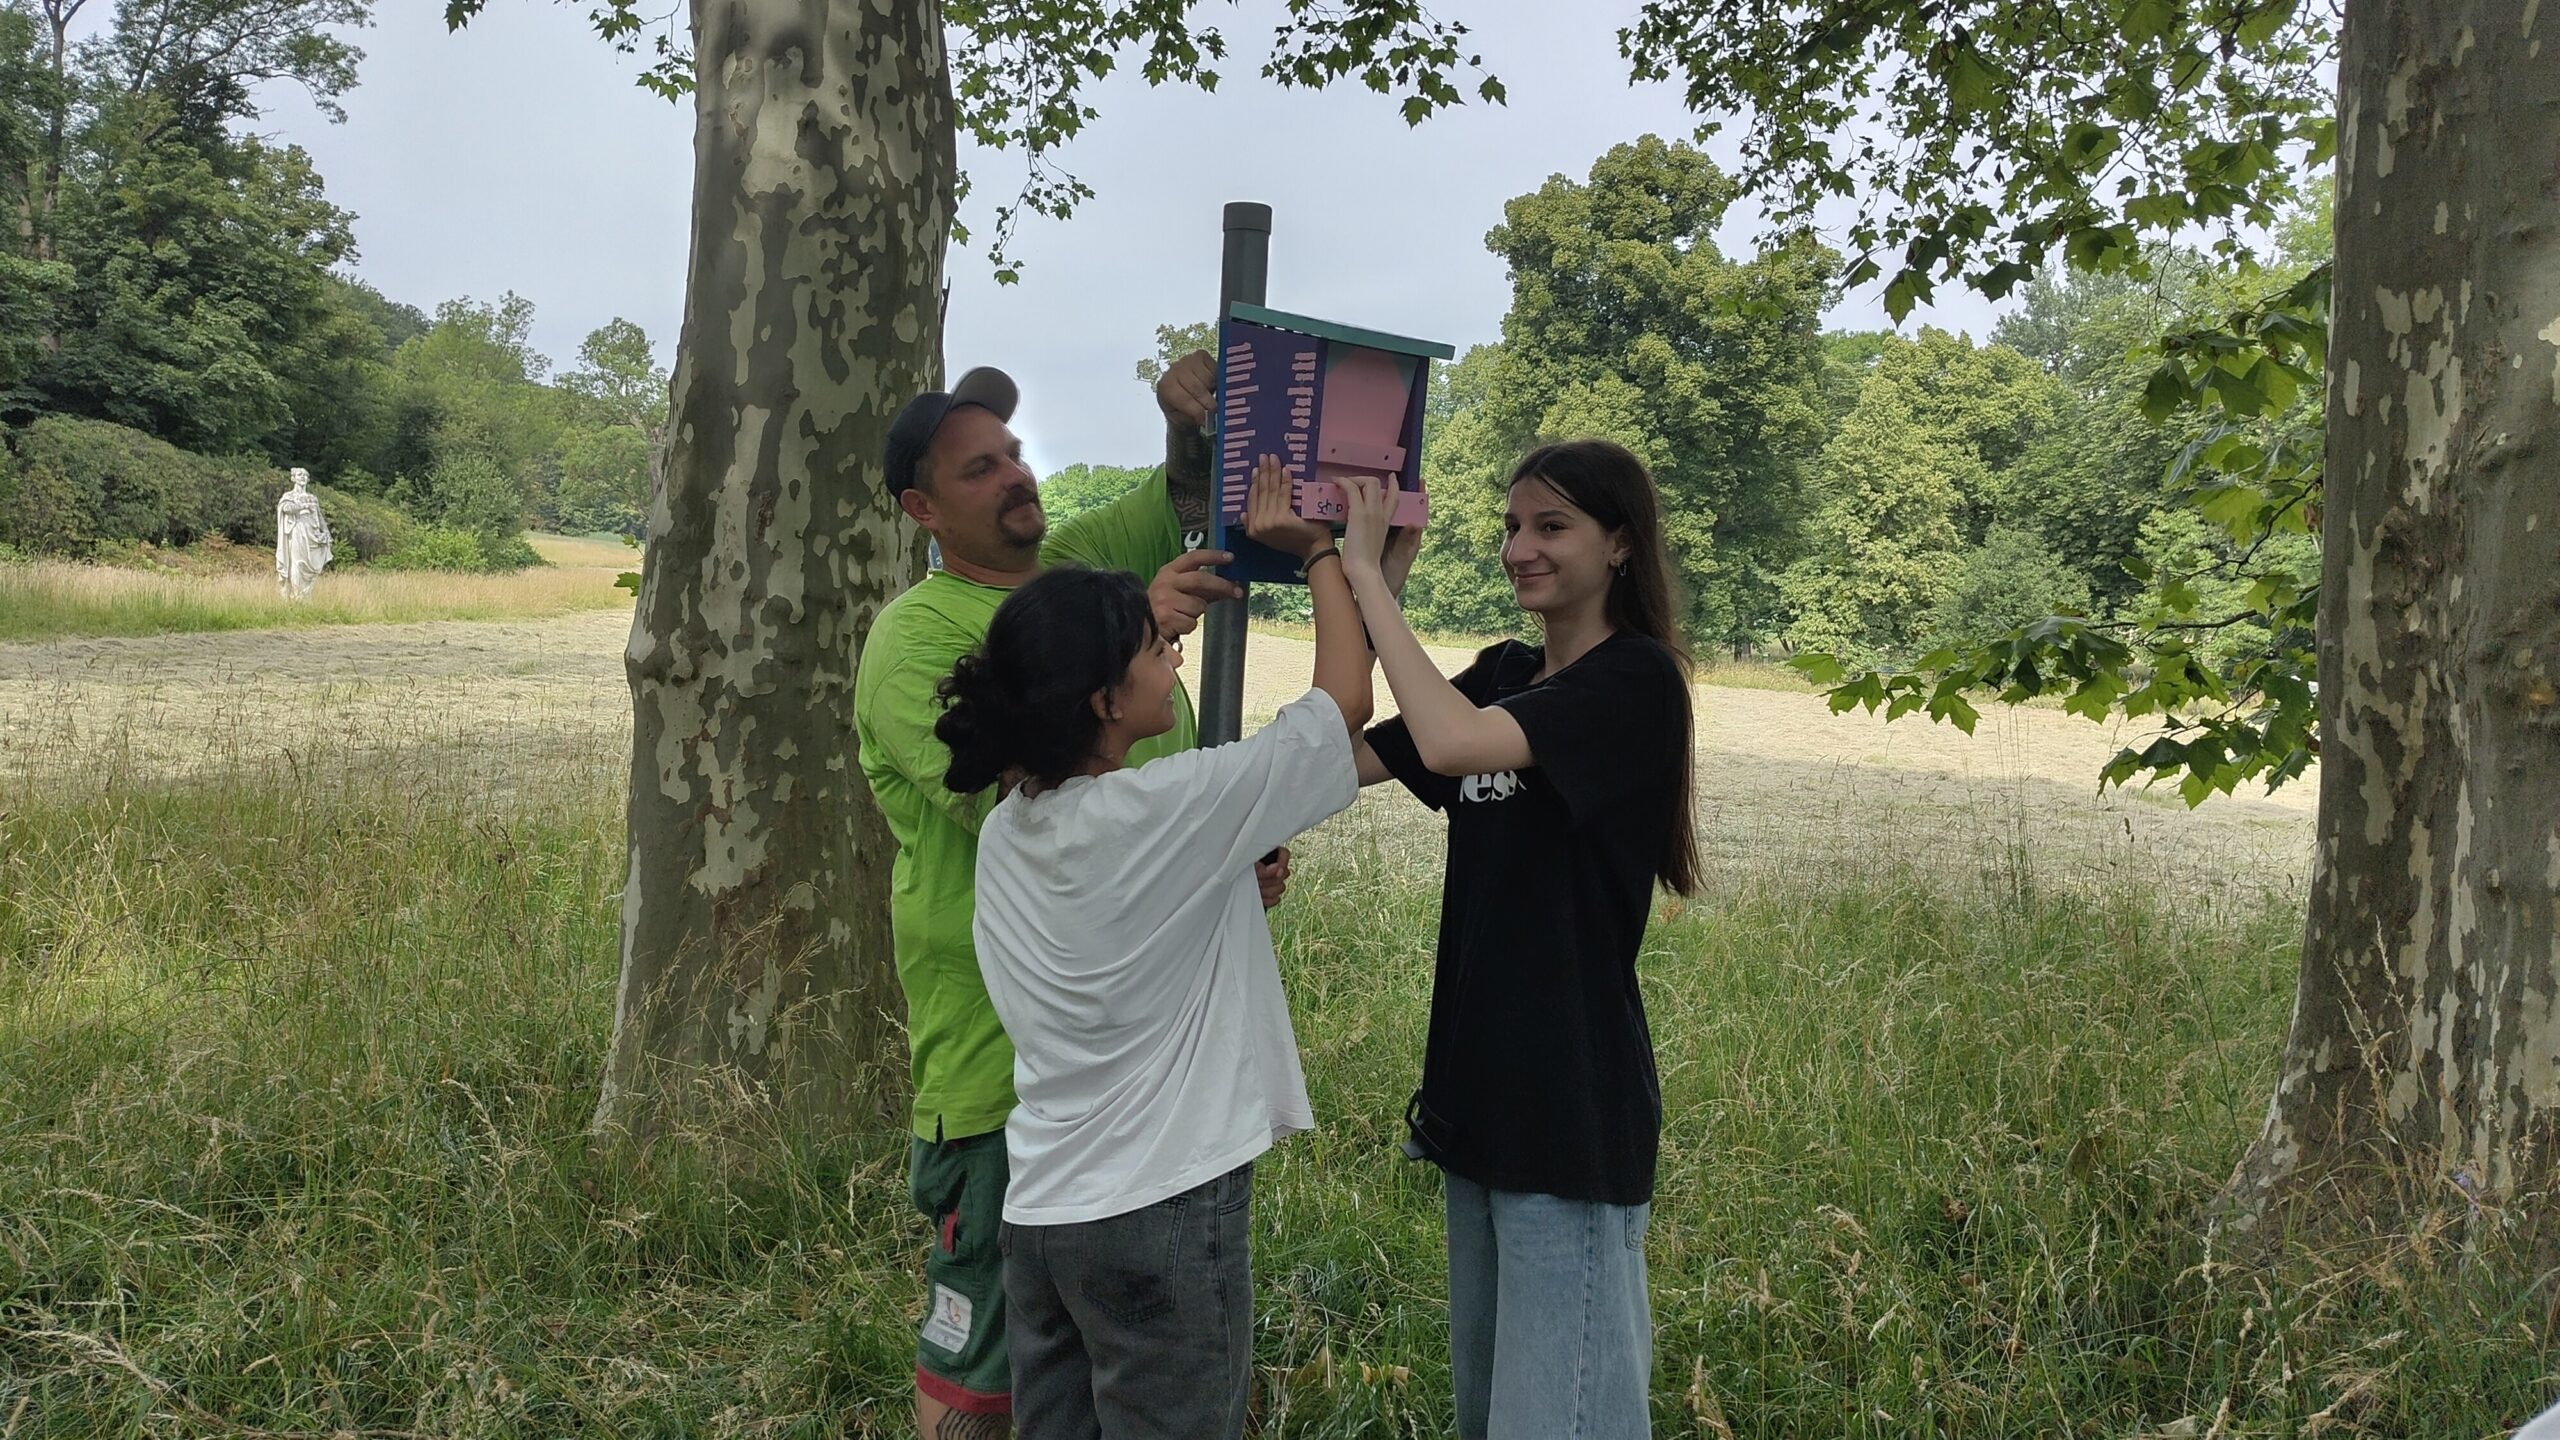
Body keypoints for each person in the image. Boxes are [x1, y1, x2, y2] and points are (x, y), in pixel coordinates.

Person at [852, 357, 1274, 1437]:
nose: (1012, 476)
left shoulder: (1074, 576)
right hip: (1004, 1079)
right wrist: (1143, 613)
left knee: (1101, 1391)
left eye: (1015, 452)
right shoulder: (915, 640)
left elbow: (1194, 506)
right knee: (988, 1376)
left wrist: (1191, 430)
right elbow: (1021, 799)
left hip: (1142, 1088)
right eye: (977, 467)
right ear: (922, 508)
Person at [933, 455, 1368, 1439]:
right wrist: (1325, 555)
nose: (1169, 660)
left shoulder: (1016, 821)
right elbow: (1341, 711)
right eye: (1149, 651)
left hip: (1045, 1213)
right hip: (1161, 1208)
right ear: (1100, 701)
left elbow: (1140, 919)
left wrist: (1219, 896)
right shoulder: (1155, 808)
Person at [1334, 441, 1703, 1440]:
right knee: (1493, 1415)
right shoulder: (1503, 673)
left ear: (1619, 544)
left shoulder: (1635, 684)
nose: (1518, 548)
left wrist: (1371, 580)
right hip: (1477, 1103)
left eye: (1550, 526)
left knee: (1560, 1419)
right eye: (1509, 526)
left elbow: (1452, 745)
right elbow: (1345, 756)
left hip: (1568, 1113)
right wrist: (1348, 576)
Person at [275, 468, 333, 599]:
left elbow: (319, 516)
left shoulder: (312, 498)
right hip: (297, 529)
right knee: (297, 562)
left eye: (305, 475)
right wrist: (302, 506)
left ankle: (305, 595)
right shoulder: (289, 496)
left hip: (312, 532)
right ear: (293, 478)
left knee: (312, 565)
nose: (302, 477)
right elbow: (286, 508)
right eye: (299, 475)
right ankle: (297, 595)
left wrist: (326, 533)